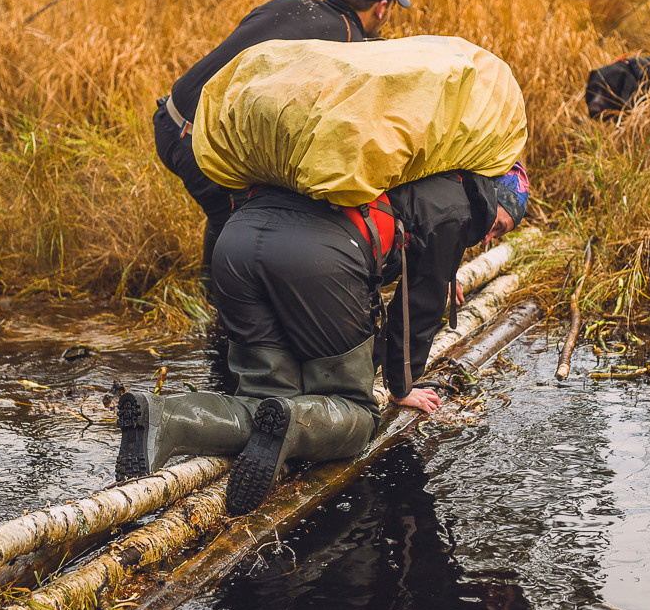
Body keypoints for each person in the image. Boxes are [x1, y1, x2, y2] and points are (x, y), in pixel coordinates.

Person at [116, 163, 530, 516]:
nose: (489, 236)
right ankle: (295, 423)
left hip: (236, 242)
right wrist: (401, 387)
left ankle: (166, 418)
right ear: (491, 195)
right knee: (355, 410)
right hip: (317, 257)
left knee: (263, 399)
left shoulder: (409, 171)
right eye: (497, 225)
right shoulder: (460, 206)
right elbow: (417, 309)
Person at [154, 0, 412, 286]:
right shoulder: (349, 45)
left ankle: (211, 300)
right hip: (201, 147)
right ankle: (223, 323)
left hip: (168, 120)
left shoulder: (288, 4)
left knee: (226, 214)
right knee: (240, 226)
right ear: (382, 7)